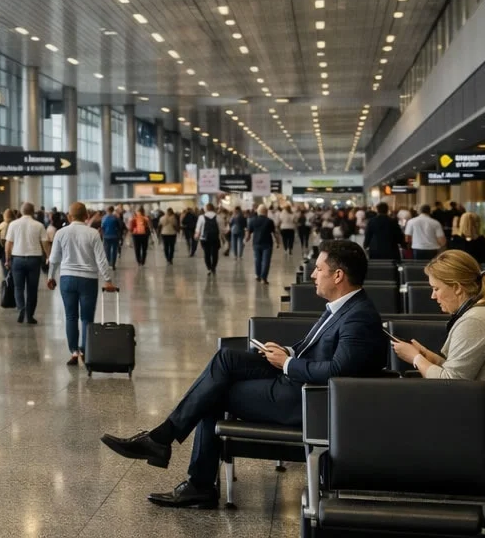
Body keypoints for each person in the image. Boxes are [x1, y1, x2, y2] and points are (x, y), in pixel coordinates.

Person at [101, 240, 387, 507]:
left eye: (319, 269)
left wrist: (286, 364)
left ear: (338, 276)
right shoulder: (342, 307)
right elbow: (315, 349)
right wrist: (286, 351)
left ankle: (184, 467)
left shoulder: (358, 317)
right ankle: (167, 447)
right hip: (299, 380)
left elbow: (338, 371)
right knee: (226, 359)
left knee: (214, 394)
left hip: (307, 399)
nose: (313, 274)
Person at [390, 250, 485, 389]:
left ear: (457, 288)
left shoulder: (475, 321)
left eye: (436, 289)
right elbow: (461, 372)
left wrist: (415, 358)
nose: (433, 296)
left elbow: (452, 384)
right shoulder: (479, 314)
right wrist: (430, 358)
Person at [46, 201, 118, 364]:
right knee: (86, 317)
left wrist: (50, 276)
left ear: (69, 216)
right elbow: (102, 260)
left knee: (70, 316)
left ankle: (73, 352)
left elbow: (54, 258)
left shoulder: (61, 233)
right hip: (88, 279)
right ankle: (86, 351)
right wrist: (108, 280)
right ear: (86, 216)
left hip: (67, 279)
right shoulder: (93, 233)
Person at [4, 202, 48, 325]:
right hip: (34, 259)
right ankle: (29, 315)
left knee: (18, 287)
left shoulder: (13, 224)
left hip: (17, 259)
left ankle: (21, 308)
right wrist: (48, 256)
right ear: (33, 211)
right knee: (32, 289)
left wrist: (7, 260)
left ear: (21, 211)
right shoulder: (39, 225)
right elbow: (45, 243)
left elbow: (8, 244)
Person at [247, 204, 276, 284]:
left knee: (257, 260)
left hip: (256, 243)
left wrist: (246, 239)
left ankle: (258, 275)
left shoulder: (252, 220)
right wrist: (278, 242)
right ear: (266, 212)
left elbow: (248, 233)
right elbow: (274, 233)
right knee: (266, 261)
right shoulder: (269, 221)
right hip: (267, 243)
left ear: (258, 211)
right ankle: (263, 278)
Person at [198, 210, 221, 276]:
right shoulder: (218, 217)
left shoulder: (201, 217)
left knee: (206, 253)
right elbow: (221, 228)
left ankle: (209, 268)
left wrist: (197, 234)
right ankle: (213, 267)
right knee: (215, 253)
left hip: (205, 238)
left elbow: (198, 228)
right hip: (215, 237)